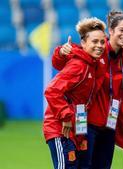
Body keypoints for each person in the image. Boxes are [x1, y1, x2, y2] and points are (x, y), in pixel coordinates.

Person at [52, 11, 123, 169]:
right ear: (111, 31)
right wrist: (61, 52)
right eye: (121, 30)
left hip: (110, 123)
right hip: (88, 122)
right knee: (85, 165)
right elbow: (71, 59)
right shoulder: (98, 50)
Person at [43, 17, 106, 169]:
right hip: (60, 129)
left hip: (76, 128)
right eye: (95, 41)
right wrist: (65, 116)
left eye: (102, 42)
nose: (99, 46)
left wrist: (80, 132)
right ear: (84, 43)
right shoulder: (79, 65)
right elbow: (51, 90)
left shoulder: (92, 65)